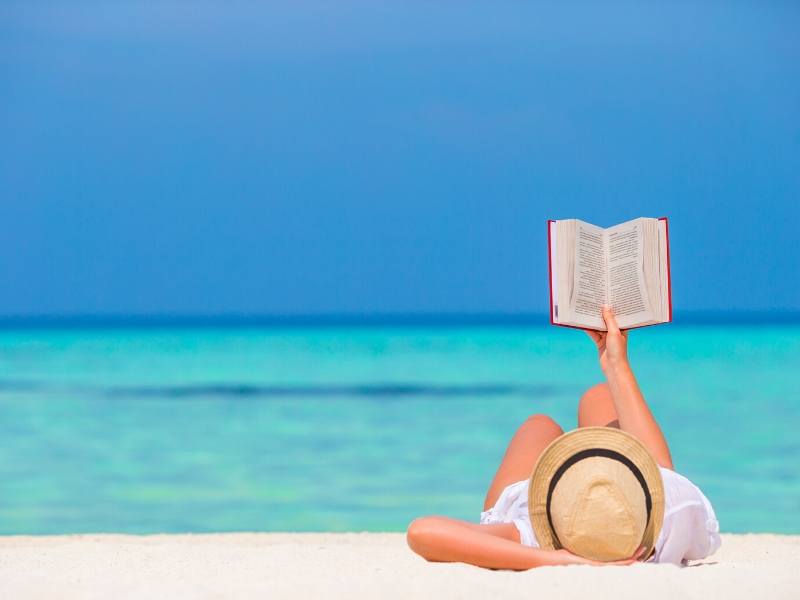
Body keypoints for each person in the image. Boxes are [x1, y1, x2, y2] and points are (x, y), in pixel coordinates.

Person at [406, 306, 721, 569]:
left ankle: (606, 381)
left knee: (539, 424)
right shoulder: (676, 511)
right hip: (584, 496)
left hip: (537, 504)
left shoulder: (535, 533)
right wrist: (616, 362)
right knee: (598, 397)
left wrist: (556, 559)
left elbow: (423, 532)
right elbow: (660, 468)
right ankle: (612, 372)